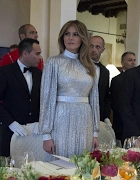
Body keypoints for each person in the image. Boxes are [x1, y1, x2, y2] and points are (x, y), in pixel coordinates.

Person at [38, 20, 100, 158]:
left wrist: (95, 132)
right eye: (67, 34)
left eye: (75, 34)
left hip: (85, 119)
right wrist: (46, 134)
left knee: (83, 164)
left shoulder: (92, 67)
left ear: (83, 38)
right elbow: (46, 98)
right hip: (61, 118)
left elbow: (94, 100)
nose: (70, 38)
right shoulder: (53, 62)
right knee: (60, 165)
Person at [0, 38, 42, 156]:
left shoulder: (39, 73)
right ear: (25, 53)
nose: (40, 57)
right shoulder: (6, 72)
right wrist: (10, 122)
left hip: (33, 133)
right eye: (37, 54)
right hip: (11, 131)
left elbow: (42, 100)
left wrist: (41, 121)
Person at [110, 51, 136, 141]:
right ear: (122, 63)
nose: (133, 63)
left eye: (134, 60)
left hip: (136, 119)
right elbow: (114, 101)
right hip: (120, 120)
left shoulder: (139, 79)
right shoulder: (116, 80)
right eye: (130, 60)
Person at [89, 36, 110, 122]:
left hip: (98, 116)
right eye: (91, 46)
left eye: (97, 47)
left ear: (102, 50)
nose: (94, 49)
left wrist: (106, 117)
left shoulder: (105, 72)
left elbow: (105, 97)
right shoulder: (79, 66)